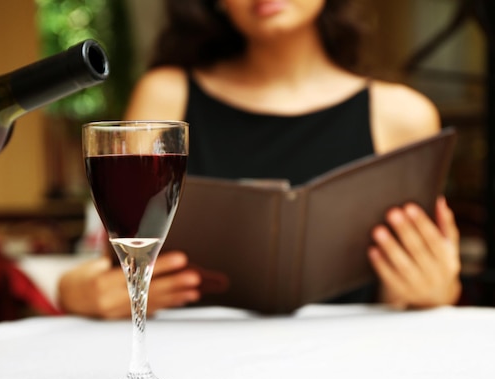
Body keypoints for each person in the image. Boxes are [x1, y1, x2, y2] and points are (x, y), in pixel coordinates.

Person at [57, 0, 461, 317]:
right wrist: (79, 293)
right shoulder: (166, 96)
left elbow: (421, 285)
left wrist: (437, 290)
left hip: (349, 359)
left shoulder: (404, 115)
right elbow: (117, 265)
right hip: (193, 360)